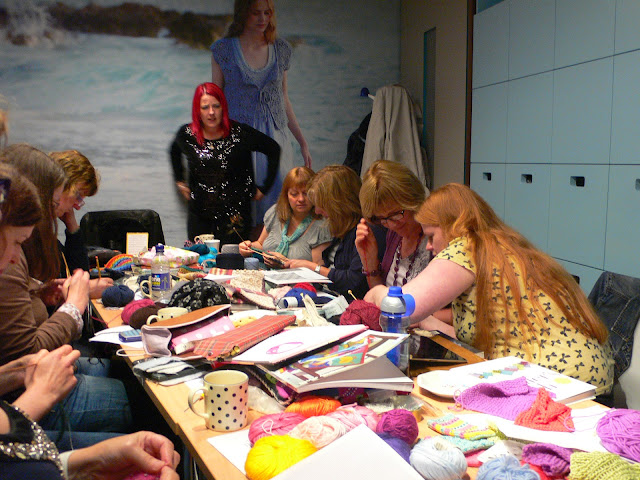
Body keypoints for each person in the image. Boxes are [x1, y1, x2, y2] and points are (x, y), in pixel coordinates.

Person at [365, 183, 614, 394]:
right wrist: (430, 323)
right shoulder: (501, 246)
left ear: (452, 226)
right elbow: (496, 336)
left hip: (558, 380)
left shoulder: (466, 246)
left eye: (432, 235)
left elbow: (400, 307)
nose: (429, 246)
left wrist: (375, 293)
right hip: (585, 374)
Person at [0, 145, 132, 449]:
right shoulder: (10, 261)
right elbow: (26, 355)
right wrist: (73, 308)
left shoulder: (14, 252)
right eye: (68, 197)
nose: (71, 205)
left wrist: (36, 291)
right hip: (22, 397)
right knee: (141, 401)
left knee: (126, 373)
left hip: (23, 386)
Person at [211, 0, 312, 235]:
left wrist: (302, 141)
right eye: (256, 13)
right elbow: (216, 100)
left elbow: (283, 98)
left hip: (276, 137)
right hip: (239, 138)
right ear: (243, 13)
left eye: (267, 13)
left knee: (278, 210)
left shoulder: (281, 49)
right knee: (243, 212)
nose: (262, 18)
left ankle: (272, 256)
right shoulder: (223, 50)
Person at [170, 82, 281, 244]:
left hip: (235, 215)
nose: (211, 112)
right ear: (197, 110)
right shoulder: (187, 135)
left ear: (223, 107)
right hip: (200, 215)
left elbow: (273, 149)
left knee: (232, 257)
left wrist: (265, 187)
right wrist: (179, 180)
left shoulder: (239, 134)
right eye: (205, 107)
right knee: (199, 257)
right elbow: (174, 150)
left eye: (216, 106)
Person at [297, 165, 385, 299]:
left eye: (323, 205)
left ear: (340, 204)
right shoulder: (342, 227)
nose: (317, 211)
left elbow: (354, 282)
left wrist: (313, 268)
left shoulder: (366, 230)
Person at [355, 160, 431, 289]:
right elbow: (380, 295)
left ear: (412, 200)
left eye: (396, 214)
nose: (392, 225)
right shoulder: (394, 235)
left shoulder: (435, 238)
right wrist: (370, 261)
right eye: (382, 218)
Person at [49, 149, 113, 298]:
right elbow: (39, 296)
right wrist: (86, 291)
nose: (77, 207)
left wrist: (72, 227)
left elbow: (79, 274)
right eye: (77, 196)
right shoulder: (31, 233)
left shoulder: (47, 233)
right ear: (60, 187)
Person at [239, 166, 332, 267]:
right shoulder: (276, 212)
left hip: (299, 277)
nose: (301, 199)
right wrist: (248, 247)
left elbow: (318, 269)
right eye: (294, 194)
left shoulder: (322, 224)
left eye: (306, 193)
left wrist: (285, 263)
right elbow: (261, 245)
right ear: (286, 195)